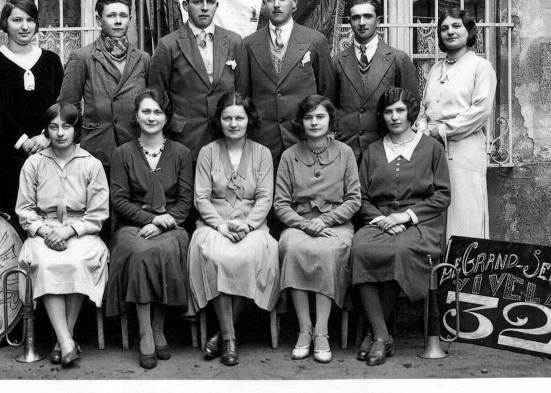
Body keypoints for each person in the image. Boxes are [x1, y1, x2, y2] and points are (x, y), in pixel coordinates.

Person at [351, 88, 450, 366]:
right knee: (360, 248)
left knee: (400, 250)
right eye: (388, 111)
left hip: (422, 223)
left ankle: (376, 337)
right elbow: (361, 196)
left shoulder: (432, 148)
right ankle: (382, 334)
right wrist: (382, 220)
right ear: (382, 116)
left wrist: (406, 217)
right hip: (380, 220)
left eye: (400, 110)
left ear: (411, 112)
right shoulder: (372, 151)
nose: (394, 117)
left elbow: (442, 196)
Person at [15, 102, 110, 368]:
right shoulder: (34, 163)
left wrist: (69, 231)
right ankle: (66, 341)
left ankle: (62, 340)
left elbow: (98, 213)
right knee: (45, 262)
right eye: (54, 127)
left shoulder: (91, 164)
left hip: (81, 230)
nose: (60, 133)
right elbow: (24, 210)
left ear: (75, 130)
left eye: (66, 127)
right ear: (46, 130)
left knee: (78, 261)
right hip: (44, 230)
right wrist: (45, 232)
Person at [187, 92, 278, 366]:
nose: (234, 123)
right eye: (227, 118)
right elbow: (201, 197)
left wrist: (249, 225)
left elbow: (265, 197)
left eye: (240, 118)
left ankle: (223, 334)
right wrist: (222, 226)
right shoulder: (208, 152)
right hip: (214, 224)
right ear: (219, 120)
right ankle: (229, 337)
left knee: (253, 256)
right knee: (216, 256)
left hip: (252, 225)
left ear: (250, 120)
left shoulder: (262, 154)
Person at [105, 88, 194, 369]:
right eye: (146, 111)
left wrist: (164, 221)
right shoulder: (122, 154)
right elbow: (118, 200)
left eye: (158, 112)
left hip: (171, 225)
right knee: (142, 253)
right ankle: (144, 330)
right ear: (136, 115)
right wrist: (150, 220)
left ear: (166, 117)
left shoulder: (181, 153)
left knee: (167, 250)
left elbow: (185, 200)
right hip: (133, 225)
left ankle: (159, 327)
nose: (151, 117)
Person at [274, 95, 360, 364]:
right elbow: (280, 203)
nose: (314, 122)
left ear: (329, 120)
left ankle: (321, 331)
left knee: (327, 251)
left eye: (320, 117)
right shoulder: (289, 156)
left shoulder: (345, 153)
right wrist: (304, 224)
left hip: (335, 225)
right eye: (308, 117)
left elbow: (354, 199)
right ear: (301, 121)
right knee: (293, 248)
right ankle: (304, 328)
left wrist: (325, 221)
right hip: (298, 224)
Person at [0, 0, 64, 233]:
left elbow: (60, 104)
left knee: (45, 220)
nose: (24, 26)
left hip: (47, 150)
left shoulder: (51, 61)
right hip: (7, 154)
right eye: (17, 20)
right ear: (5, 24)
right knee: (7, 222)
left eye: (30, 20)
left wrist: (46, 136)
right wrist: (23, 140)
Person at [417, 8, 496, 240]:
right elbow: (425, 107)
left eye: (456, 26)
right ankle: (438, 273)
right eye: (444, 28)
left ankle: (463, 275)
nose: (449, 32)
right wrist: (423, 129)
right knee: (436, 214)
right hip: (432, 149)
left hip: (463, 150)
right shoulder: (435, 69)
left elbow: (480, 111)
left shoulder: (481, 67)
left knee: (464, 215)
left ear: (468, 31)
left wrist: (441, 130)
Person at [238, 0, 336, 165]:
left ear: (294, 3)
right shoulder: (249, 44)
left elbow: (327, 92)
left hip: (305, 138)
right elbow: (244, 95)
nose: (276, 4)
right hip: (264, 142)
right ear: (264, 4)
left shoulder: (315, 41)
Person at [149, 0, 245, 162]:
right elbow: (158, 95)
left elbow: (242, 91)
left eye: (210, 2)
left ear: (217, 5)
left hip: (226, 136)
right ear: (186, 5)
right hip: (184, 139)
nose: (204, 7)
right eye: (197, 2)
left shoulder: (233, 41)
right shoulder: (168, 45)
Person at [58, 0, 150, 168]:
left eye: (123, 16)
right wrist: (77, 142)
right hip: (97, 147)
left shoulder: (143, 58)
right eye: (111, 15)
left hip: (135, 145)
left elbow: (151, 102)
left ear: (130, 19)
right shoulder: (83, 56)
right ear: (99, 20)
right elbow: (68, 104)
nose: (118, 21)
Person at [332, 0, 421, 163]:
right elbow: (331, 105)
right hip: (347, 152)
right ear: (349, 21)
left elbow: (412, 106)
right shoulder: (337, 61)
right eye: (356, 17)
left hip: (388, 150)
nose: (362, 22)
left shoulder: (397, 59)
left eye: (368, 16)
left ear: (378, 20)